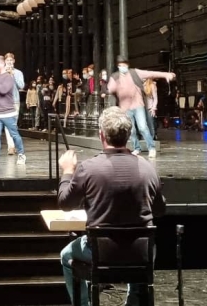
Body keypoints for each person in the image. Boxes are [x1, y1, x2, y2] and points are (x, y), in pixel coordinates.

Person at [57, 107, 165, 306]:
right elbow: (159, 210)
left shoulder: (88, 168)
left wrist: (68, 171)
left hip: (102, 253)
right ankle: (135, 301)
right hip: (140, 252)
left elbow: (65, 203)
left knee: (66, 255)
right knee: (144, 248)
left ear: (101, 135)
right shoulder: (148, 168)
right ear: (128, 135)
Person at [105, 56, 175, 157]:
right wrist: (112, 87)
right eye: (120, 65)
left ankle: (151, 147)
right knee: (131, 130)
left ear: (127, 65)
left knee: (142, 127)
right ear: (118, 66)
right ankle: (137, 148)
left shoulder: (135, 73)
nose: (122, 67)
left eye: (124, 64)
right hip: (125, 108)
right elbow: (110, 88)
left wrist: (166, 75)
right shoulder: (115, 76)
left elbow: (150, 73)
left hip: (138, 105)